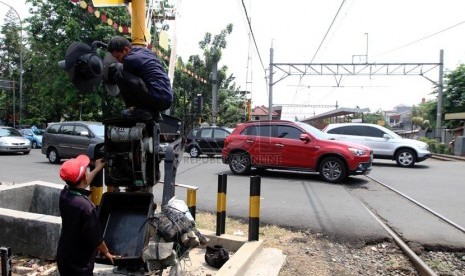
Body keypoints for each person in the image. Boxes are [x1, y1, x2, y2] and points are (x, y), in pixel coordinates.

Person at [56, 155, 115, 275]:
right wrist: (106, 252)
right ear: (84, 177)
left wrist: (97, 168)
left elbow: (82, 183)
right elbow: (96, 238)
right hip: (80, 264)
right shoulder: (86, 207)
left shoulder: (65, 194)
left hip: (64, 256)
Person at [107, 36, 173, 119]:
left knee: (119, 72)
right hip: (168, 99)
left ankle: (136, 109)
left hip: (156, 99)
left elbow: (132, 84)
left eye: (118, 57)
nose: (118, 60)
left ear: (126, 49)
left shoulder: (129, 60)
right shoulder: (145, 52)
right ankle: (153, 112)